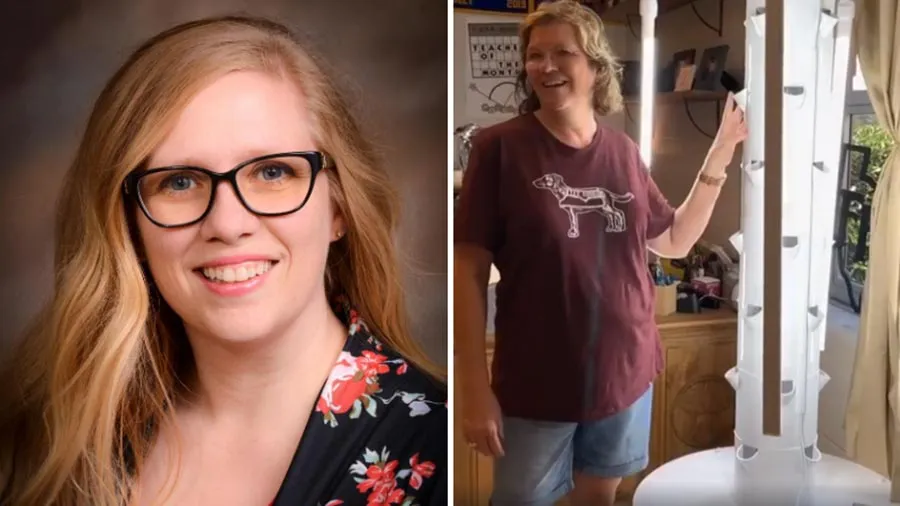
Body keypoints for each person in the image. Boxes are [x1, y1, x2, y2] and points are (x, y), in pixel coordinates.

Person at [0, 16, 447, 506]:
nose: (229, 223)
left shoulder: (438, 453)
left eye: (273, 172)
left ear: (338, 207)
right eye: (179, 181)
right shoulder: (54, 438)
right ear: (128, 221)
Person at [454, 1, 747, 505]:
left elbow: (672, 240)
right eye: (535, 55)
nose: (544, 66)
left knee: (598, 499)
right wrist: (473, 388)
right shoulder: (499, 149)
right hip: (536, 384)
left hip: (625, 371)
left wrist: (719, 154)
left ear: (594, 66)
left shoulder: (623, 151)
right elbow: (467, 271)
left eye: (562, 53)